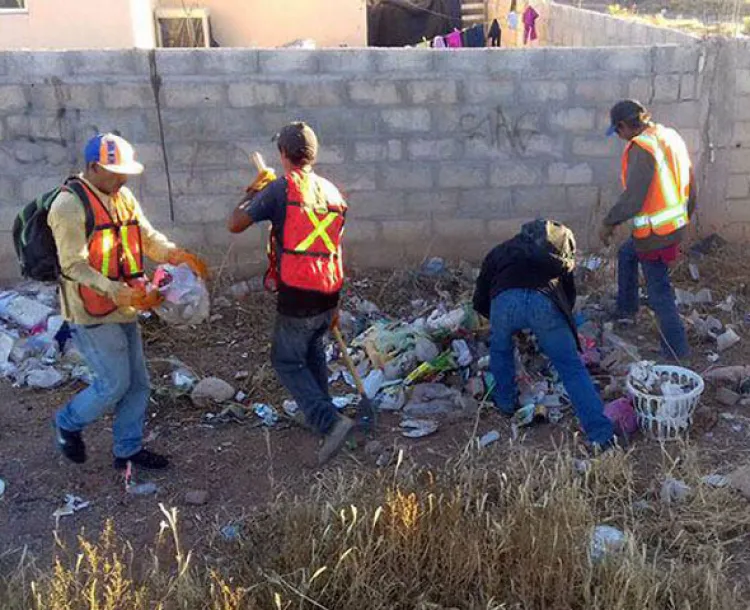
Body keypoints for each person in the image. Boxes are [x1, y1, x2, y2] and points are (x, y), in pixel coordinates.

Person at [49, 133, 208, 469]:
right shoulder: (68, 206)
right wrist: (113, 289)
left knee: (138, 385)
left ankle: (128, 451)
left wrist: (176, 254)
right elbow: (72, 265)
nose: (122, 178)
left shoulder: (123, 197)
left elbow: (147, 238)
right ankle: (67, 422)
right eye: (114, 171)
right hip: (90, 310)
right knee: (113, 384)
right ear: (94, 167)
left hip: (127, 303)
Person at [227, 122, 352, 465]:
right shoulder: (332, 192)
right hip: (327, 290)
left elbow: (235, 223)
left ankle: (330, 422)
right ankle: (320, 412)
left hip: (298, 294)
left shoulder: (281, 190)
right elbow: (335, 248)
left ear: (283, 155)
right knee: (312, 352)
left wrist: (253, 193)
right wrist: (337, 300)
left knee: (285, 360)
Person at [473, 219, 615, 449]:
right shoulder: (555, 256)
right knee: (570, 367)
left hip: (505, 302)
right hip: (544, 304)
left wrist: (501, 323)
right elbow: (567, 297)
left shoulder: (501, 251)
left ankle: (506, 403)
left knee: (500, 350)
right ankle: (600, 433)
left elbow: (481, 296)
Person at [600, 100, 696, 361]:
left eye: (617, 132)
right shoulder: (668, 136)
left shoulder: (641, 148)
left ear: (623, 126)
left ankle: (677, 351)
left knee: (659, 292)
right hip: (671, 226)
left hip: (655, 236)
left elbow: (633, 199)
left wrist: (609, 222)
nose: (619, 138)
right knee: (626, 255)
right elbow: (690, 179)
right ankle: (626, 310)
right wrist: (685, 218)